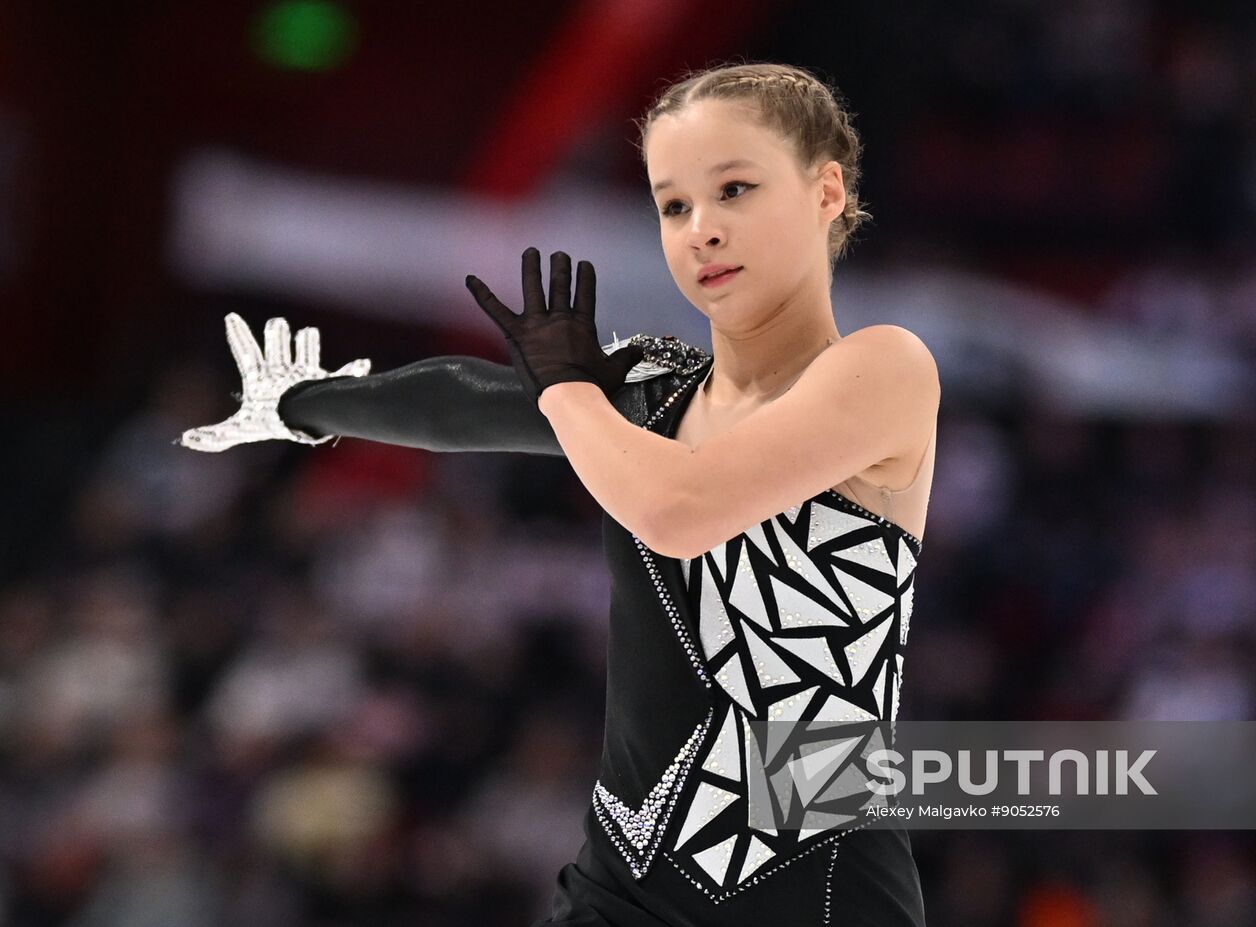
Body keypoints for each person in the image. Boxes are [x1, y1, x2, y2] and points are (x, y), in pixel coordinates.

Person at [181, 61, 939, 926]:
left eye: (735, 189)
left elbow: (678, 510)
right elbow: (470, 405)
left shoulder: (882, 368)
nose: (703, 231)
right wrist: (300, 402)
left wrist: (568, 390)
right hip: (625, 873)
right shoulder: (657, 389)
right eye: (674, 205)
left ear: (825, 192)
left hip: (808, 873)